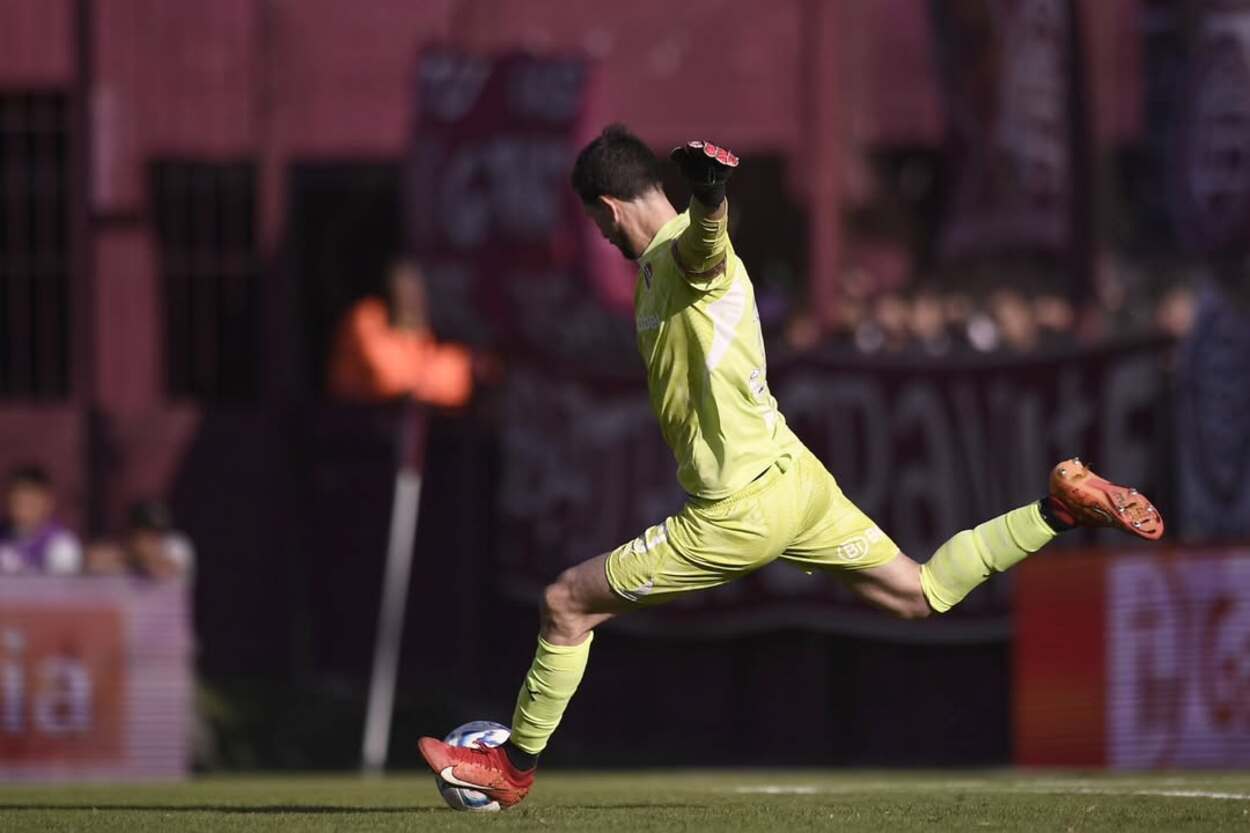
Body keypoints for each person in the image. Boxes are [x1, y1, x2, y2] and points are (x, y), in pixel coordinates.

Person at [417, 125, 1164, 806]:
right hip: (796, 481)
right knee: (922, 592)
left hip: (738, 510)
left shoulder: (678, 255)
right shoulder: (659, 265)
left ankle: (511, 768)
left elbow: (707, 251)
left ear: (609, 209)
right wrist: (706, 202)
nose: (601, 235)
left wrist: (713, 198)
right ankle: (1057, 508)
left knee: (565, 603)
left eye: (596, 222)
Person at [328, 258, 477, 406]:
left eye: (416, 291)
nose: (411, 296)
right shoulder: (369, 318)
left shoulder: (418, 342)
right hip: (354, 410)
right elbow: (382, 374)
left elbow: (450, 389)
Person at [0, 464, 82, 575]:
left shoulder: (62, 545)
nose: (23, 508)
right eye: (18, 501)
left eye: (30, 502)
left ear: (47, 502)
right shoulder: (3, 539)